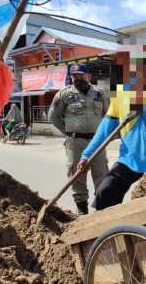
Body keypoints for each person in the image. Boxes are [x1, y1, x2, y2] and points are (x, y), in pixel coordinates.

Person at [77, 71, 146, 211]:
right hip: (129, 158)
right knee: (105, 192)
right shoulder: (120, 96)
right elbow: (104, 131)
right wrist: (87, 155)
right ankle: (108, 229)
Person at [48, 64, 109, 215]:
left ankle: (101, 208)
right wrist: (69, 132)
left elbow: (107, 115)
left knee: (101, 173)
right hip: (75, 143)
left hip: (97, 141)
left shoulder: (100, 93)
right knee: (77, 175)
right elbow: (53, 117)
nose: (77, 78)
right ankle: (82, 210)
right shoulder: (64, 95)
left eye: (80, 75)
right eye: (74, 76)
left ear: (88, 76)